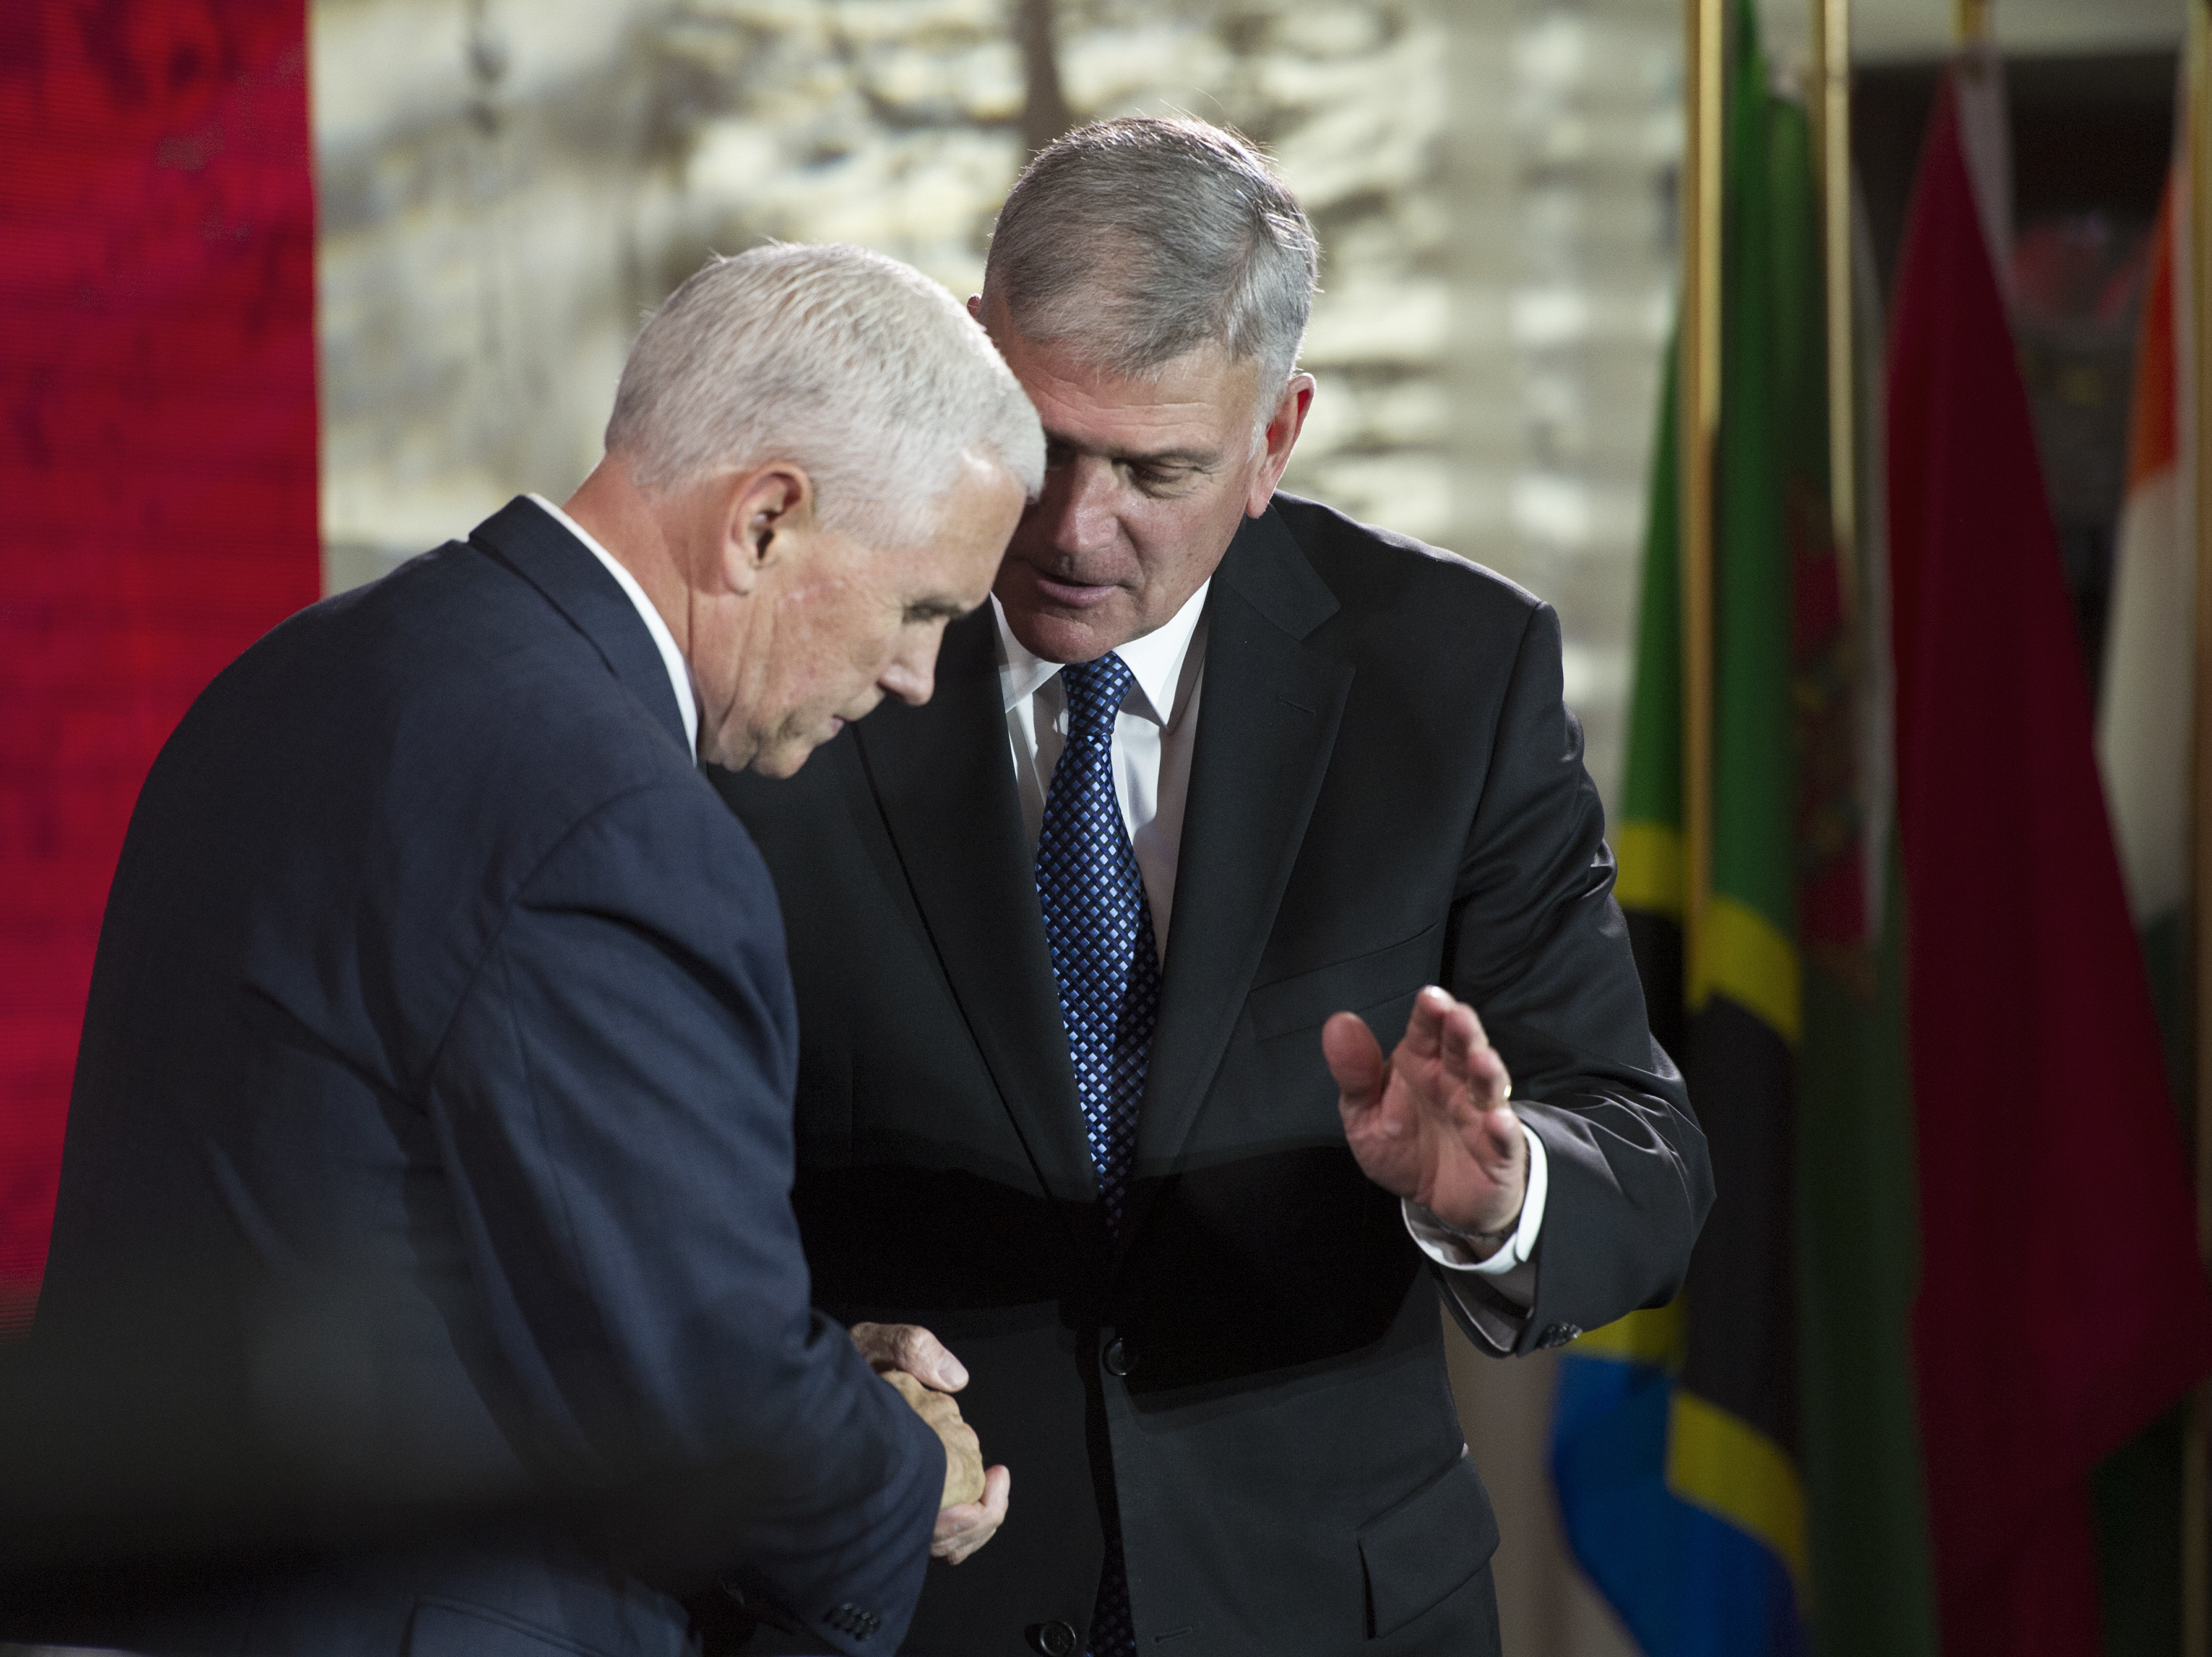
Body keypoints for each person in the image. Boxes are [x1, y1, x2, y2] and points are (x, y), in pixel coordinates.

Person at [711, 121, 1713, 1656]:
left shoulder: (1449, 672)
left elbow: (1643, 1153)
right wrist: (802, 1366)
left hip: (1329, 1607)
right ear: (975, 353)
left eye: (1154, 469)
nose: (1072, 524)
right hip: (901, 1600)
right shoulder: (787, 657)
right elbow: (659, 1157)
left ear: (1276, 436)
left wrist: (1500, 1195)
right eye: (1045, 443)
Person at [36, 243, 1044, 1657]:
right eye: (922, 608)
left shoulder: (293, 674)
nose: (916, 676)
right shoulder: (613, 820)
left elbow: (453, 1244)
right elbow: (708, 1391)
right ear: (763, 521)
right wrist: (907, 1469)